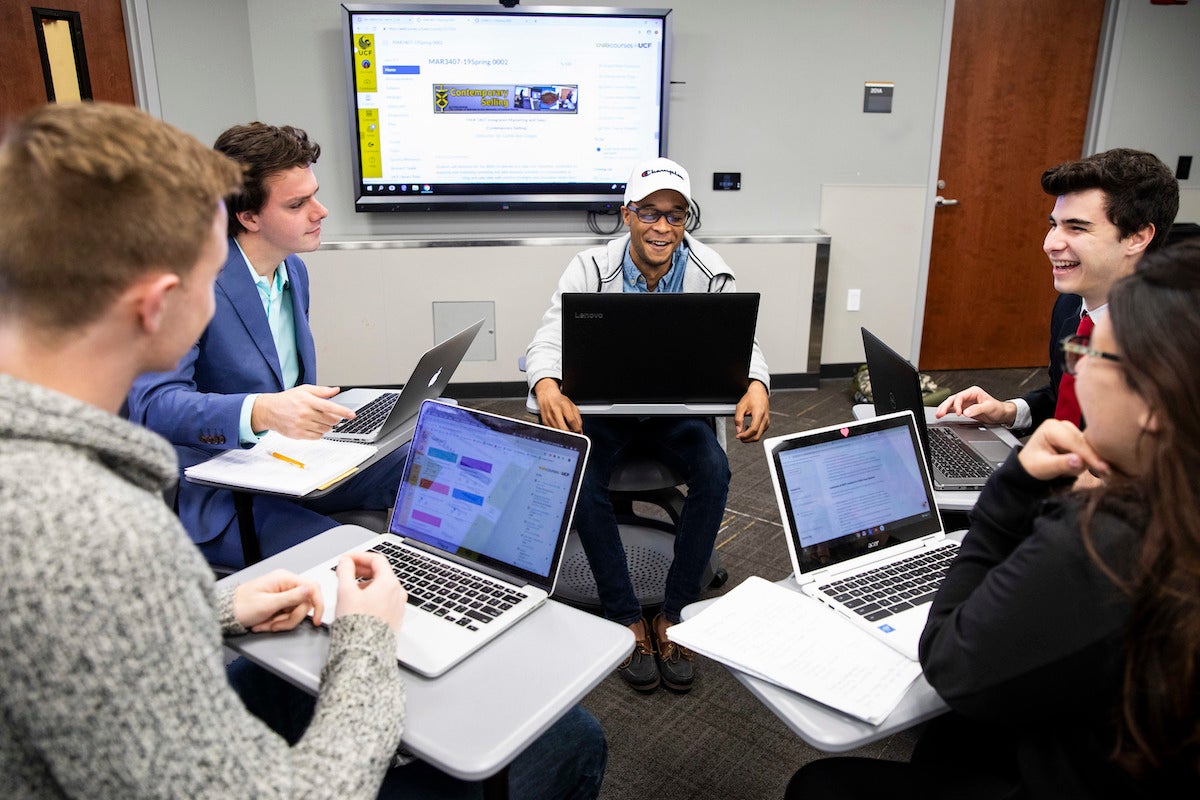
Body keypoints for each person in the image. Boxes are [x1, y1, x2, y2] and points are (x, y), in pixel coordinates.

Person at [0, 101, 606, 800]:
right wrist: (365, 639)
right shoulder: (110, 537)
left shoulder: (53, 491)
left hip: (265, 512)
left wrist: (215, 610)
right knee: (565, 745)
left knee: (426, 455)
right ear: (159, 302)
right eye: (206, 269)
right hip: (239, 505)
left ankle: (479, 590)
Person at [786, 240, 1200, 799]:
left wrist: (1009, 496)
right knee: (953, 738)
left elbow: (950, 663)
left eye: (1092, 355)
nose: (1077, 366)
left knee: (820, 784)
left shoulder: (1103, 544)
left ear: (1152, 403)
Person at [526, 156, 771, 694]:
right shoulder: (589, 267)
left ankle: (677, 612)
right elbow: (548, 335)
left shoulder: (712, 270)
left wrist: (757, 383)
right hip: (605, 413)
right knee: (582, 476)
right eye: (650, 213)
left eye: (676, 216)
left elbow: (744, 344)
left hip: (674, 414)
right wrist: (546, 383)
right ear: (628, 214)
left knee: (715, 469)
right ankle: (626, 617)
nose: (663, 228)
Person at [127, 122, 408, 569]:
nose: (321, 211)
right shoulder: (189, 284)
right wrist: (260, 411)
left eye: (314, 194)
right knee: (358, 563)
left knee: (432, 460)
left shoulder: (292, 271)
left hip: (290, 464)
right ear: (249, 216)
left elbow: (285, 385)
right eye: (298, 204)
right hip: (220, 492)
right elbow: (152, 407)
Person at [936, 148, 1178, 431]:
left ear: (1137, 238)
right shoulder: (1071, 307)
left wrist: (1108, 474)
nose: (1050, 244)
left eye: (1076, 228)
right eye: (1054, 225)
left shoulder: (1175, 345)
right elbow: (1064, 398)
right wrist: (1009, 411)